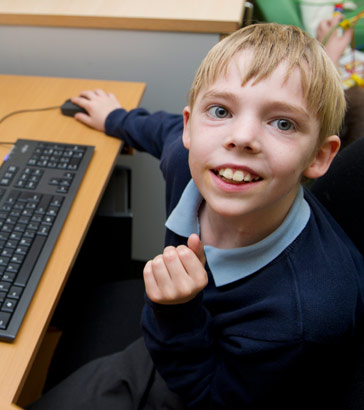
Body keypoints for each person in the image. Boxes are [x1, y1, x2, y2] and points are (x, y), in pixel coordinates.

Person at [29, 23, 364, 409]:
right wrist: (116, 118)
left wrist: (176, 314)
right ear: (192, 126)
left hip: (211, 376)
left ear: (320, 156)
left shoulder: (305, 314)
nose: (241, 137)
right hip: (177, 330)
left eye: (282, 123)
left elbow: (211, 400)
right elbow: (163, 131)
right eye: (220, 111)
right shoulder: (187, 161)